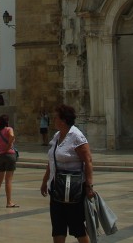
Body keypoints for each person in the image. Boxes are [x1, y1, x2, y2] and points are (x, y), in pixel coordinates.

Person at [40, 104, 94, 243]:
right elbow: (52, 160)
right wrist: (45, 181)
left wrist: (89, 186)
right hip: (57, 187)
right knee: (58, 227)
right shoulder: (58, 135)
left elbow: (88, 161)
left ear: (63, 120)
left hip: (73, 189)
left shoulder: (76, 136)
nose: (53, 119)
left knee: (77, 227)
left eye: (56, 117)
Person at [0, 113, 20, 208]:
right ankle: (9, 202)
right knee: (8, 180)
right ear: (7, 122)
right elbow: (12, 136)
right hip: (9, 155)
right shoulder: (9, 129)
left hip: (0, 156)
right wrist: (8, 147)